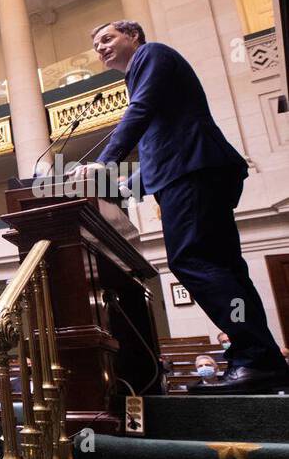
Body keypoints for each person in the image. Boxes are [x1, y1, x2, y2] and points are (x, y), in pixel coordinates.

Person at [68, 20, 289, 394]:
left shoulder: (151, 55)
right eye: (96, 45)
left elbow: (139, 112)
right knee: (224, 266)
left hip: (193, 171)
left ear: (133, 36)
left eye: (107, 38)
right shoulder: (143, 69)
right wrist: (128, 183)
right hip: (194, 170)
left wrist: (106, 162)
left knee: (192, 260)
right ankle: (258, 358)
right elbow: (162, 139)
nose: (100, 48)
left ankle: (255, 356)